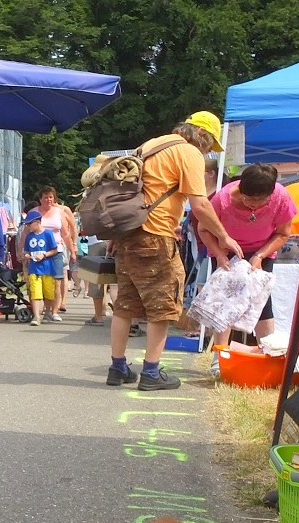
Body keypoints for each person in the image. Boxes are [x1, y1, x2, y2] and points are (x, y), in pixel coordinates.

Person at [106, 111, 242, 391]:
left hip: (127, 234)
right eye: (209, 145)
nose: (207, 152)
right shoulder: (189, 153)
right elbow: (201, 205)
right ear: (203, 137)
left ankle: (117, 368)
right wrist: (224, 236)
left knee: (125, 305)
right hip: (156, 235)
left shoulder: (151, 144)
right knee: (164, 305)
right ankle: (151, 372)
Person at [197, 163, 296, 375]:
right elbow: (203, 229)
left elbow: (283, 233)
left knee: (262, 302)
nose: (251, 204)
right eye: (247, 198)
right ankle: (219, 358)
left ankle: (269, 356)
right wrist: (220, 254)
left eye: (258, 200)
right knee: (225, 303)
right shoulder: (222, 199)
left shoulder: (281, 198)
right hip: (226, 251)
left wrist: (260, 255)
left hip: (263, 250)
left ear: (270, 194)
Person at [35, 186, 76, 318]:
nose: (48, 200)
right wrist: (21, 250)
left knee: (57, 281)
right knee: (43, 281)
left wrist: (72, 250)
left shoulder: (59, 212)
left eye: (51, 197)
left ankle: (54, 311)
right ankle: (46, 309)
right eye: (46, 197)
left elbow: (65, 233)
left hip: (57, 250)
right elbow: (26, 233)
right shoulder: (35, 212)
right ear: (40, 199)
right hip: (39, 251)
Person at [19, 210, 58, 326]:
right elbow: (26, 251)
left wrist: (44, 255)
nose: (27, 226)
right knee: (35, 292)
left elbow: (55, 250)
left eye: (29, 224)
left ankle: (47, 312)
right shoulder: (29, 236)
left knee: (49, 292)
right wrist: (26, 255)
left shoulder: (48, 234)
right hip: (34, 269)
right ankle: (36, 316)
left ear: (37, 222)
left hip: (48, 268)